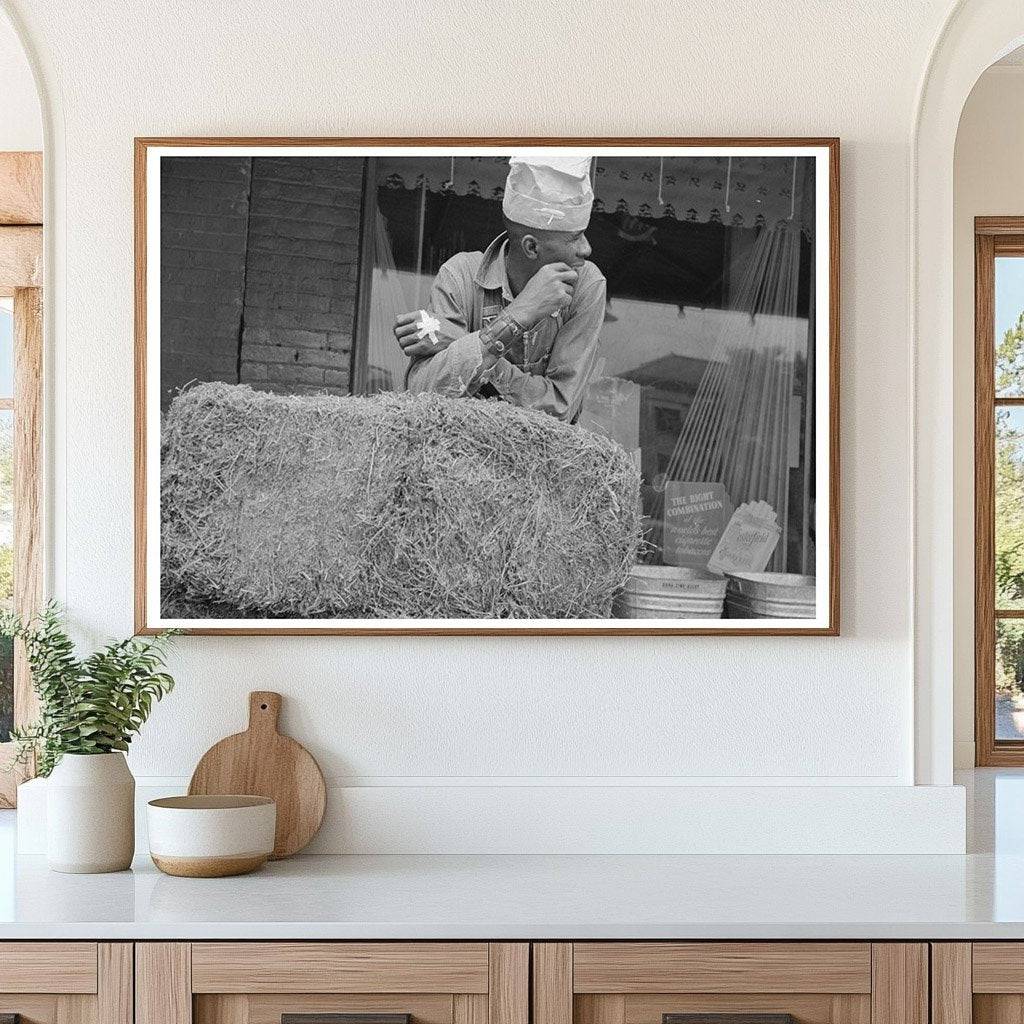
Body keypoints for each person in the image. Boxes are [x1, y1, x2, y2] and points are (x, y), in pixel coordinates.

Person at [393, 153, 606, 423]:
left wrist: (465, 342)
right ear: (531, 247)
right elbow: (422, 394)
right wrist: (515, 317)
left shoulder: (586, 285)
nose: (586, 249)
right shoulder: (459, 275)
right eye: (575, 238)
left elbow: (560, 409)